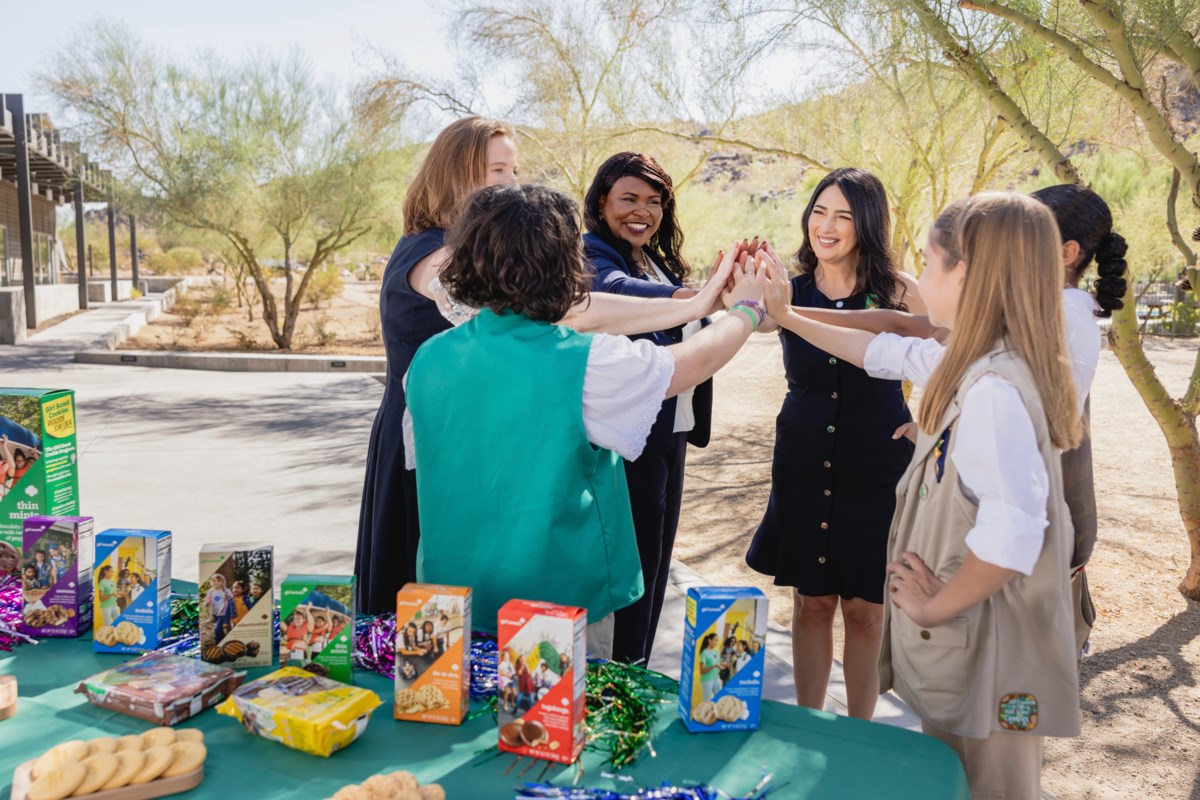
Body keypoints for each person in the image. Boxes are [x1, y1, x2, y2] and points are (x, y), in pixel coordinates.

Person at [758, 192, 1081, 798]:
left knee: (989, 786)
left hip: (994, 660)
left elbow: (1013, 534)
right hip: (973, 654)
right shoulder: (977, 361)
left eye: (931, 263)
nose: (919, 277)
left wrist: (934, 607)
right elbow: (882, 352)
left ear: (968, 273)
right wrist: (792, 315)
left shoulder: (993, 389)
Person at [357, 120, 730, 615]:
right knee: (433, 614)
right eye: (496, 169)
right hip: (433, 449)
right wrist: (707, 304)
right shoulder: (432, 252)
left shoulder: (478, 249)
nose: (511, 182)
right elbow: (574, 312)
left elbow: (574, 307)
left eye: (514, 169)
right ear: (455, 172)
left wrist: (697, 302)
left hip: (487, 443)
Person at [405, 184, 767, 656]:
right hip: (558, 614)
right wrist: (748, 309)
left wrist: (699, 304)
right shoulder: (584, 364)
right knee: (557, 732)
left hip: (447, 607)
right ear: (562, 266)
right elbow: (687, 364)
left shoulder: (428, 360)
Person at [798, 184, 1127, 663]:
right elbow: (904, 344)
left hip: (1003, 563)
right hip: (991, 552)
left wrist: (935, 609)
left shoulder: (1039, 334)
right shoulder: (1030, 324)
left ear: (1064, 253)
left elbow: (1012, 512)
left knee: (988, 699)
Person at [744, 167, 923, 720]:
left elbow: (954, 356)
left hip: (878, 464)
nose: (827, 225)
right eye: (820, 211)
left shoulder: (900, 292)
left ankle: (859, 732)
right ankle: (808, 723)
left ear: (867, 224)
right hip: (802, 460)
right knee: (810, 603)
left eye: (844, 215)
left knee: (868, 611)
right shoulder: (787, 292)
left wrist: (931, 422)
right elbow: (735, 315)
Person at [583, 152, 714, 664]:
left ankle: (633, 671)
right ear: (601, 202)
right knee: (630, 571)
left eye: (654, 201)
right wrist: (700, 297)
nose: (642, 211)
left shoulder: (655, 260)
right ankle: (618, 680)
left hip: (669, 435)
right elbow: (613, 294)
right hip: (627, 442)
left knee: (656, 566)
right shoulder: (592, 254)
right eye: (629, 199)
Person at [205, 573, 233, 638]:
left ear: (222, 582)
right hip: (214, 613)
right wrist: (207, 603)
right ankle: (222, 641)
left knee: (217, 628)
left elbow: (231, 600)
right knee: (220, 629)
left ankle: (218, 643)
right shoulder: (210, 591)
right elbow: (206, 602)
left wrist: (228, 598)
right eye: (214, 581)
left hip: (223, 612)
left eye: (218, 581)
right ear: (211, 582)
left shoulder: (226, 591)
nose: (216, 582)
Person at [697, 633, 722, 701]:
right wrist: (713, 666)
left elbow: (717, 665)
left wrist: (722, 666)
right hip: (707, 680)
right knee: (707, 701)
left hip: (715, 679)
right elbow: (701, 671)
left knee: (719, 699)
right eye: (715, 640)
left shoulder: (716, 652)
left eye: (717, 641)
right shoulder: (704, 653)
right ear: (709, 640)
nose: (717, 642)